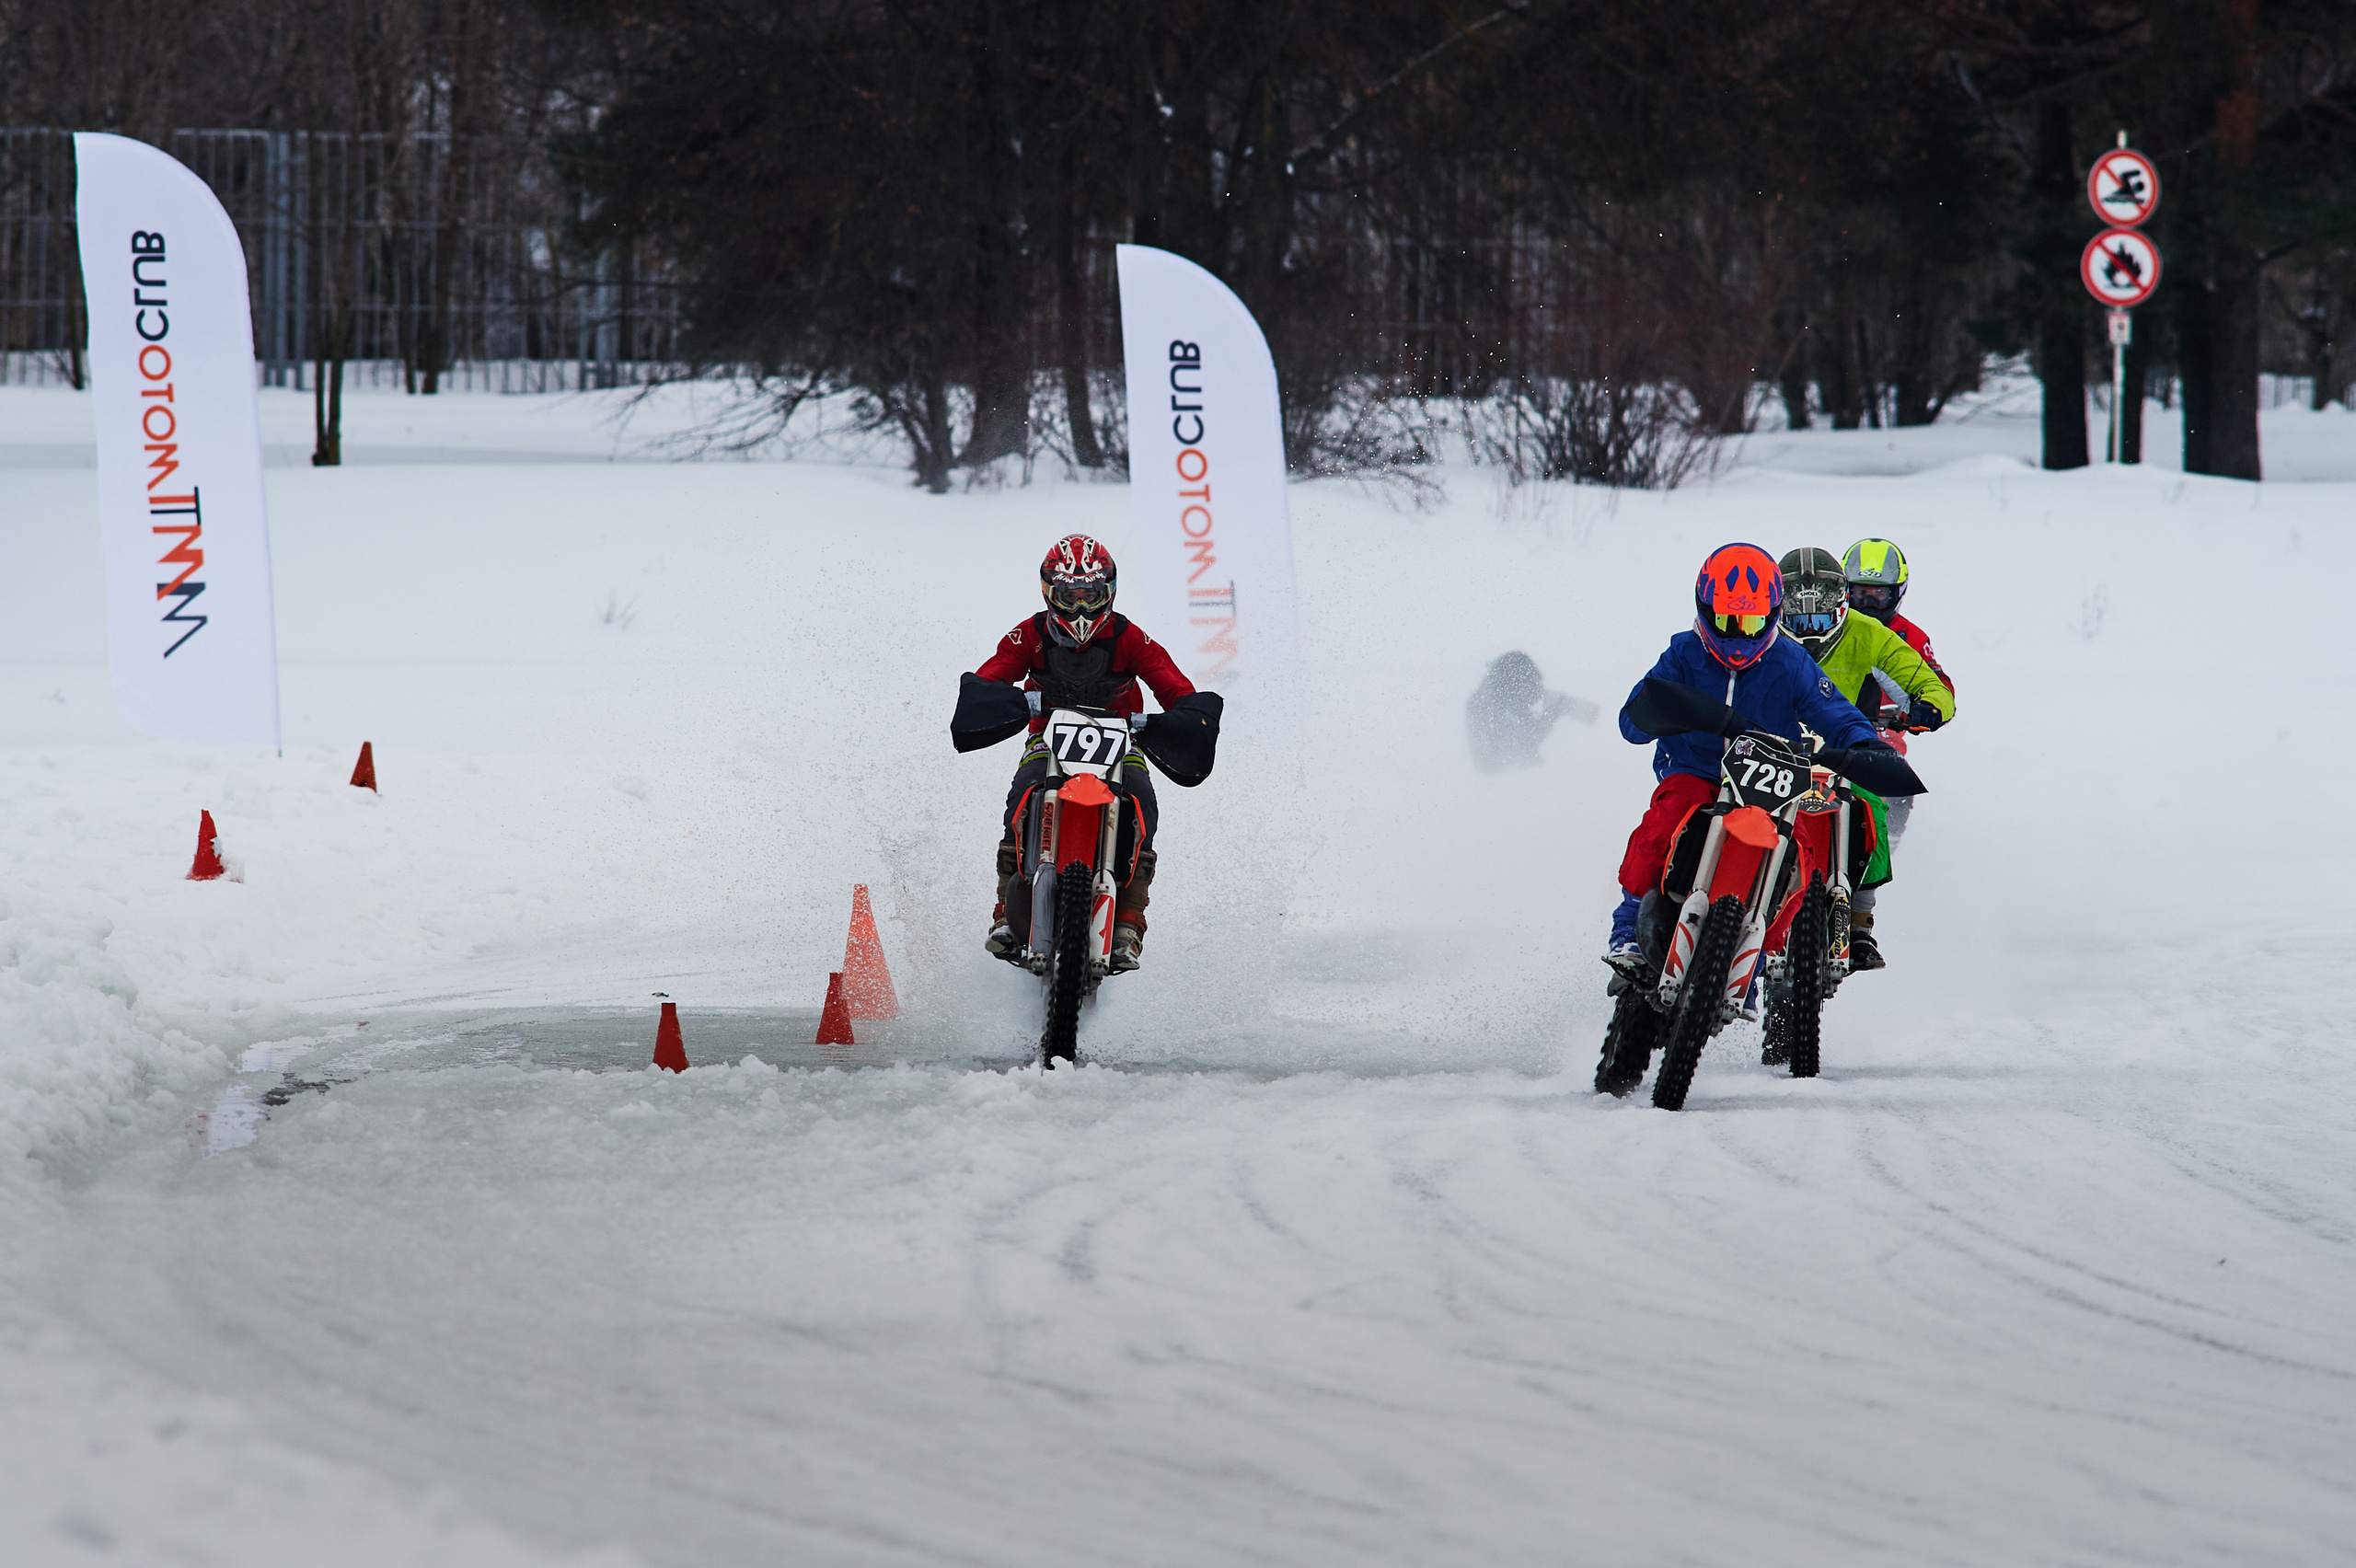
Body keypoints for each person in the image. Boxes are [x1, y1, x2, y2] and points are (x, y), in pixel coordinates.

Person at [1606, 543, 1882, 984]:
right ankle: (1628, 931)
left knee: (1803, 861)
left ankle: (1759, 959)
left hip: (1772, 782)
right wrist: (1649, 712)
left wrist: (1866, 743)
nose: (1738, 636)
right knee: (1659, 827)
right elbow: (1635, 716)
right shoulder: (1683, 653)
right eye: (1726, 622)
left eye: (1752, 623)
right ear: (1703, 609)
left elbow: (1835, 711)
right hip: (1697, 774)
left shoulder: (1792, 662)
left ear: (1773, 615)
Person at [972, 535, 1195, 971]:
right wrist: (993, 697)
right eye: (1069, 595)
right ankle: (1003, 914)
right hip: (1046, 739)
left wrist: (1186, 714)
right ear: (1050, 593)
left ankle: (1130, 920)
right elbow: (990, 676)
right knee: (1019, 795)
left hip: (1122, 743)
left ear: (1106, 591)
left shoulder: (1130, 637)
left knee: (1143, 801)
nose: (1079, 607)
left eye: (1088, 594)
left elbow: (1173, 684)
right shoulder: (1029, 634)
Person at [1839, 536, 1954, 966]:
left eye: (1878, 594)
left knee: (1891, 780)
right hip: (1817, 726)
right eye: (1859, 593)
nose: (1867, 603)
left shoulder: (1909, 636)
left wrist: (1922, 709)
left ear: (1896, 593)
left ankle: (1867, 888)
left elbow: (1939, 683)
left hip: (1877, 728)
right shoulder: (1822, 623)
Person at [1466, 651, 1588, 772]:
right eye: (1534, 687)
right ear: (1519, 684)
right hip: (1502, 781)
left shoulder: (1506, 701)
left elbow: (1529, 737)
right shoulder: (1492, 705)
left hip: (1505, 777)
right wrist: (1552, 712)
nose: (1538, 694)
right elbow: (1520, 750)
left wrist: (1552, 712)